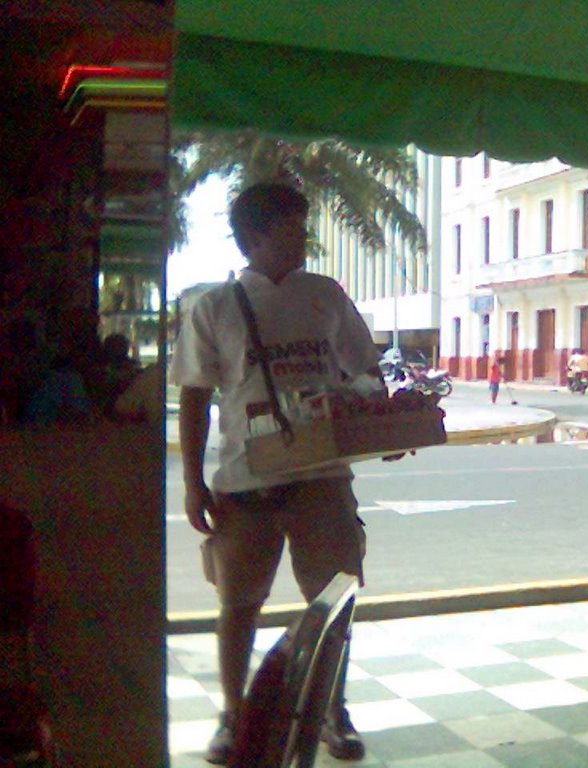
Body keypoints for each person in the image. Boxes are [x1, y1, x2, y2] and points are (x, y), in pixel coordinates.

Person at [170, 182, 389, 764]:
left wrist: (384, 421)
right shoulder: (213, 307)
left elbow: (365, 369)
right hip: (245, 484)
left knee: (335, 601)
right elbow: (193, 397)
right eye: (293, 225)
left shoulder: (326, 295)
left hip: (323, 477)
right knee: (239, 605)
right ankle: (234, 716)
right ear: (256, 236)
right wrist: (193, 483)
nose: (305, 236)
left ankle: (328, 710)